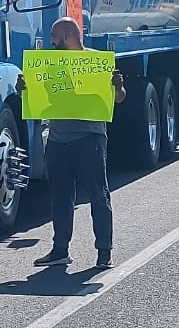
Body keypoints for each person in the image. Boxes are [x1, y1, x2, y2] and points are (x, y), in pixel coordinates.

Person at [27, 18, 126, 272]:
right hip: (59, 139)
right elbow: (39, 96)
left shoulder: (96, 62)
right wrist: (26, 89)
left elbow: (119, 99)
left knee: (98, 195)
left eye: (55, 36)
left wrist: (118, 86)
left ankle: (104, 251)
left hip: (89, 137)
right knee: (60, 198)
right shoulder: (50, 65)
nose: (51, 41)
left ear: (69, 35)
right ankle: (60, 250)